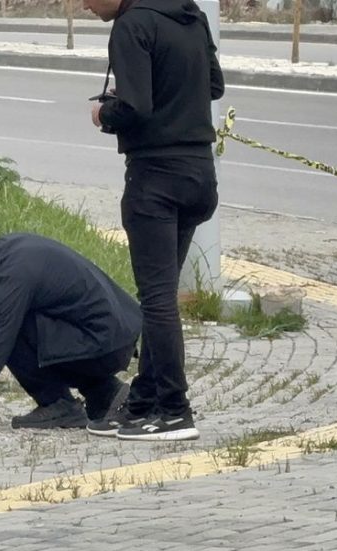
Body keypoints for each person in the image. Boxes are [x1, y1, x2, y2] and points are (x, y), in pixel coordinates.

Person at [83, 0, 224, 441]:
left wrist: (104, 113)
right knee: (158, 296)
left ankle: (174, 410)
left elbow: (136, 107)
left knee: (158, 301)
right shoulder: (191, 14)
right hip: (200, 175)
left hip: (156, 180)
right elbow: (214, 86)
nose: (83, 5)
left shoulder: (132, 25)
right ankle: (142, 401)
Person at [0, 217, 142, 433]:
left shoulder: (10, 277)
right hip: (114, 336)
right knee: (7, 323)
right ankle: (105, 394)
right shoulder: (10, 252)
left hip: (107, 344)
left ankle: (59, 405)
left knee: (6, 330)